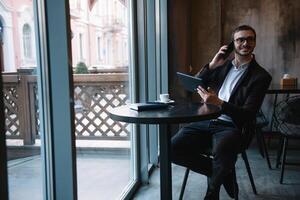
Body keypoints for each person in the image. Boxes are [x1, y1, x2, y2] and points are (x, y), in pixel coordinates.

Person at [171, 25, 272, 200]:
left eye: (250, 39)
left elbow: (248, 114)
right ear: (233, 43)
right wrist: (211, 64)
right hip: (205, 119)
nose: (245, 43)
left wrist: (220, 103)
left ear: (254, 42)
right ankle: (222, 172)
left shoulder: (260, 76)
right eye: (240, 39)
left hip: (232, 126)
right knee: (170, 149)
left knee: (223, 150)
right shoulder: (222, 66)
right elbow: (191, 86)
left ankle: (211, 194)